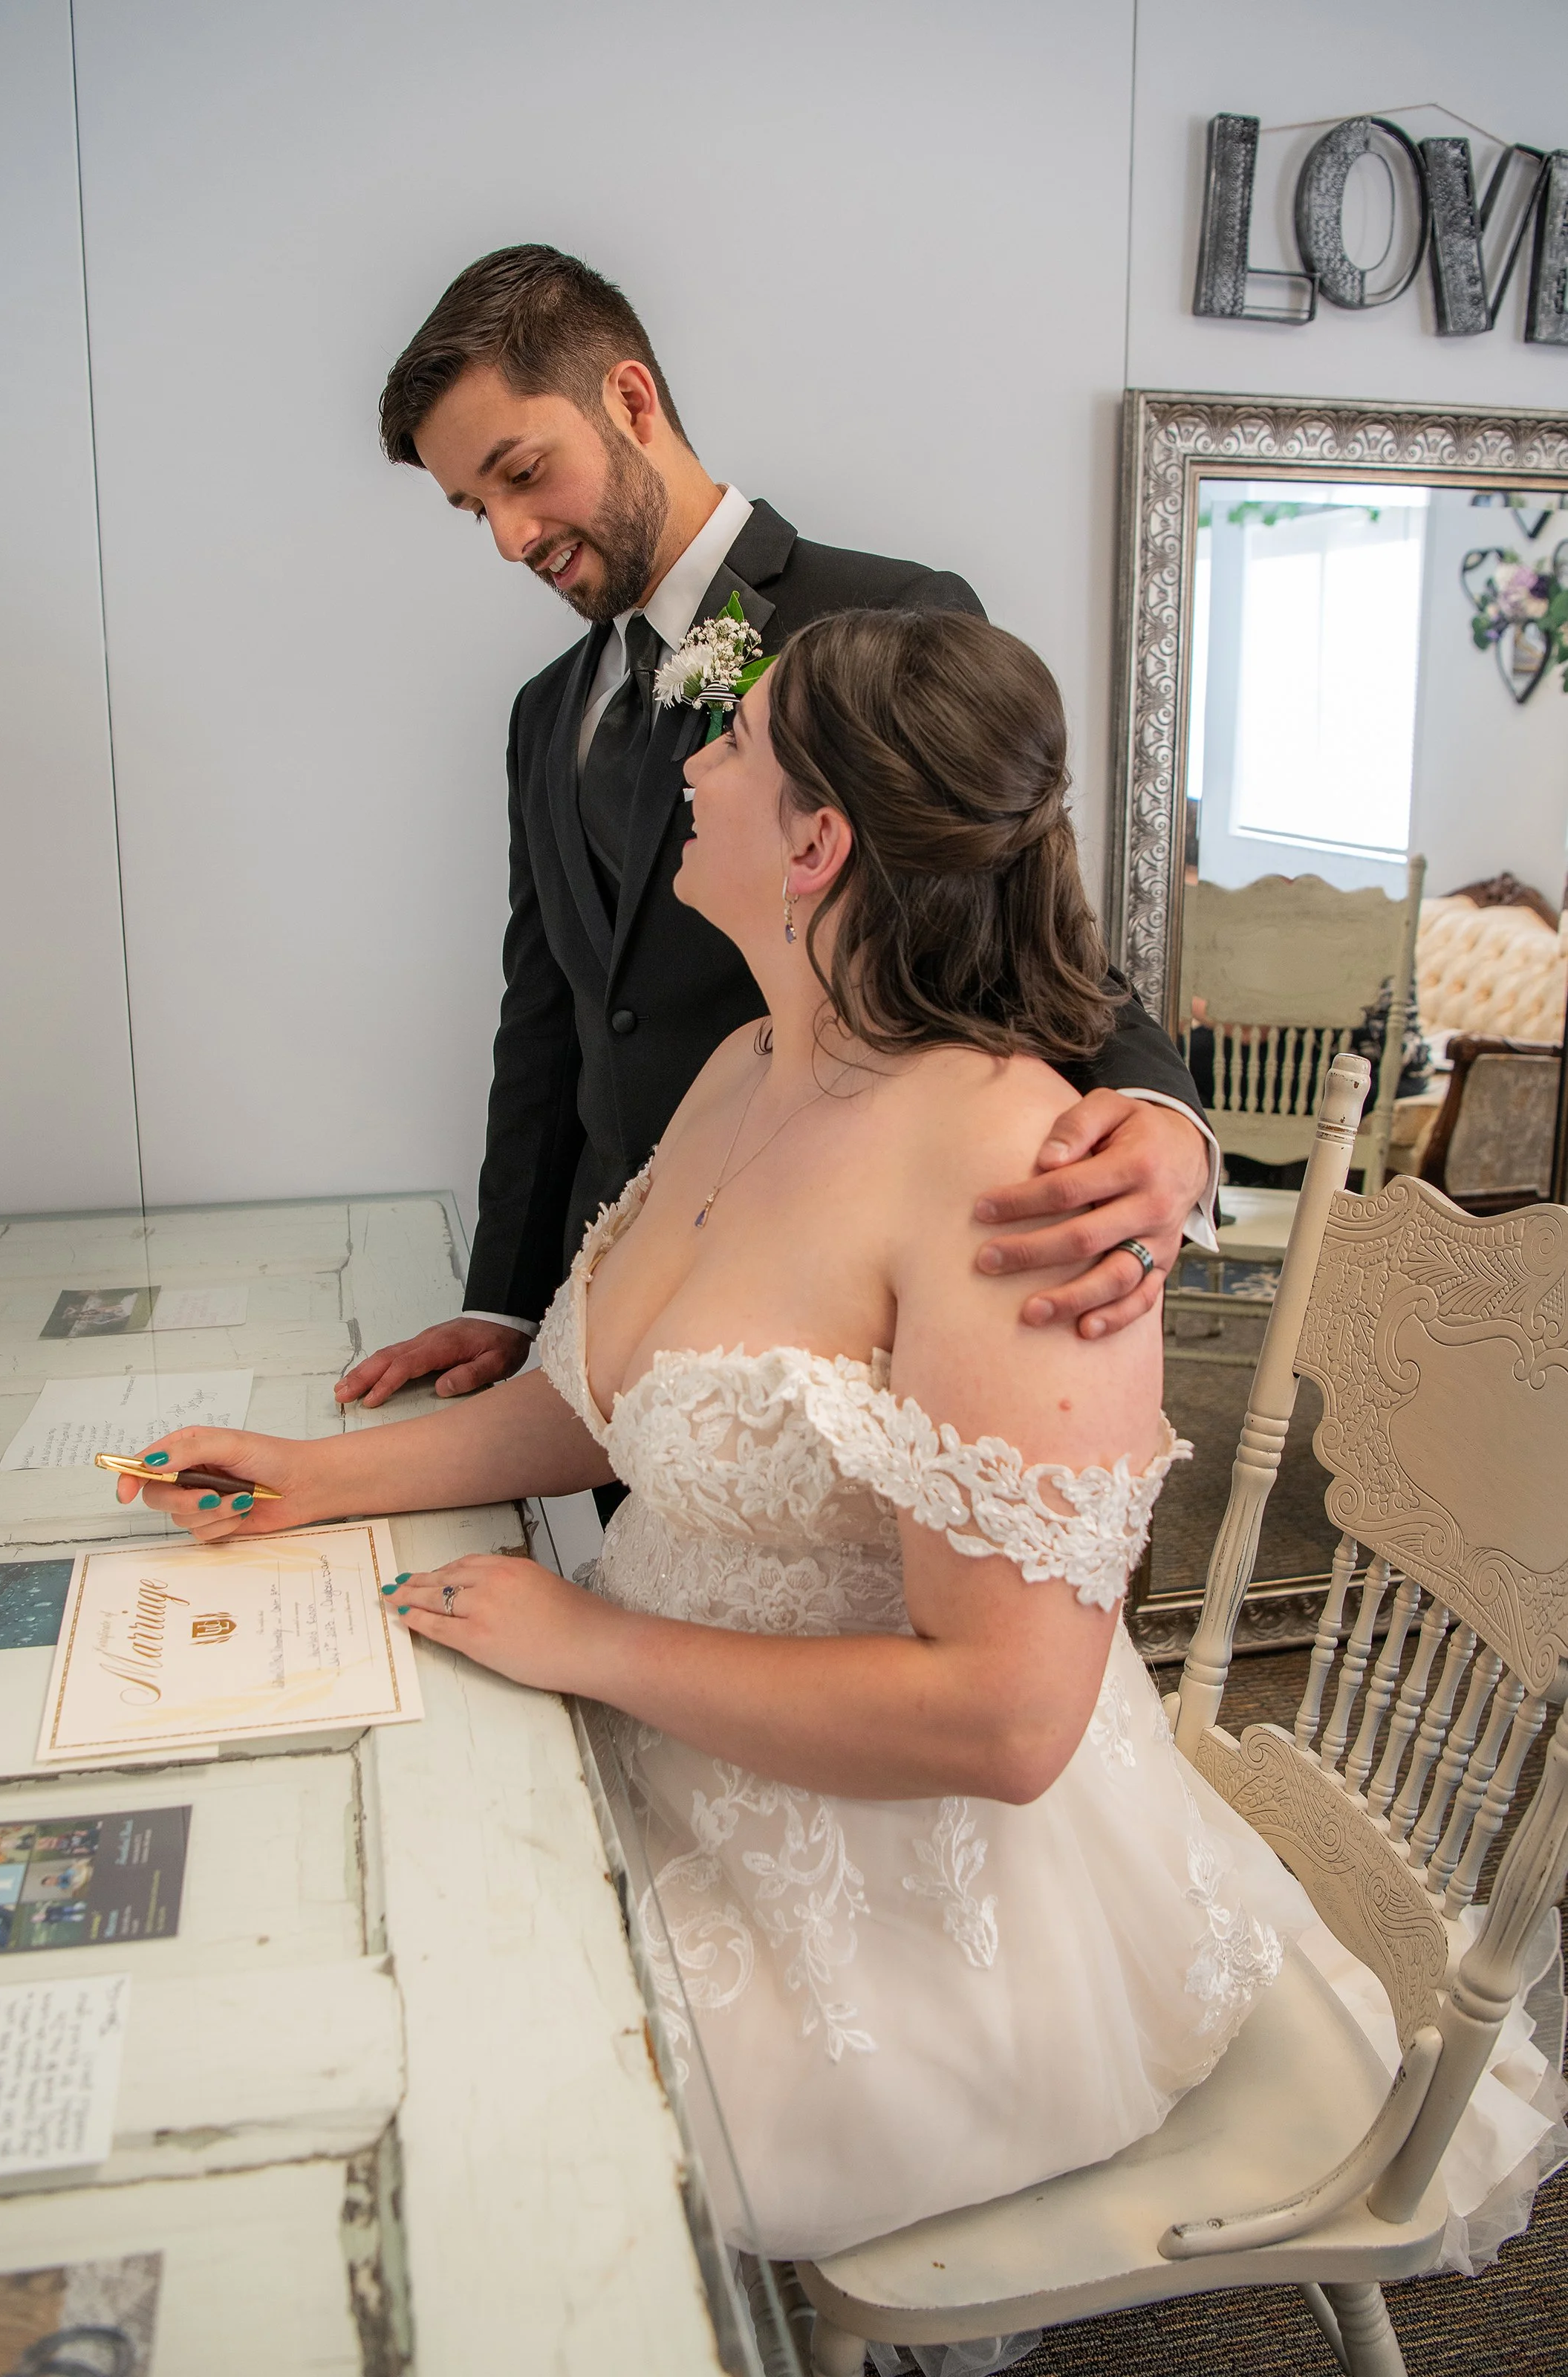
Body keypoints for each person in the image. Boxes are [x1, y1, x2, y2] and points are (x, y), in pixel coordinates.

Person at [117, 610, 1318, 2290]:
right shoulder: (749, 1065)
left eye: (734, 743)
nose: (691, 766)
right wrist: (305, 1477)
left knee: (441, 2094)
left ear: (817, 845)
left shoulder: (1017, 1183)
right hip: (651, 1730)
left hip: (888, 1909)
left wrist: (589, 1640)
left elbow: (1009, 1718)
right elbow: (596, 1402)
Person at [336, 244, 1217, 1413]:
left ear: (630, 401)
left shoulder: (886, 619)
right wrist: (503, 1301)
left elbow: (1019, 930)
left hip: (816, 1320)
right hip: (602, 1323)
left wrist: (1161, 1113)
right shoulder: (544, 712)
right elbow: (549, 1013)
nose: (508, 536)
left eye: (522, 474)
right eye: (474, 508)